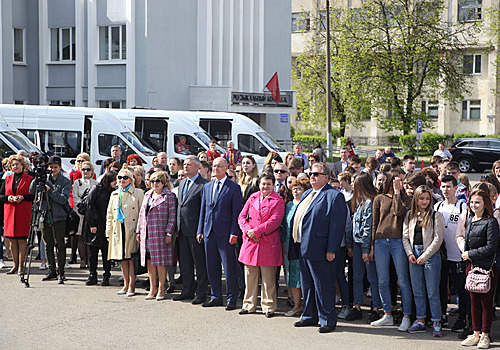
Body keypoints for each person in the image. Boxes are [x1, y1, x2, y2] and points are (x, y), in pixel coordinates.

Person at [292, 163, 347, 333]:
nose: (312, 176)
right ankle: (310, 316)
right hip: (303, 246)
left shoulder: (334, 196)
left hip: (321, 248)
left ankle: (327, 319)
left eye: (316, 174)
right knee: (307, 284)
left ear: (326, 177)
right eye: (310, 173)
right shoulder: (308, 193)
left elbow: (337, 226)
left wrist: (332, 249)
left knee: (323, 285)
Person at [197, 157, 243, 310]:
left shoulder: (233, 188)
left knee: (229, 267)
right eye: (214, 166)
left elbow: (236, 213)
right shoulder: (208, 186)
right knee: (211, 266)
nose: (215, 169)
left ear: (226, 168)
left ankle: (231, 298)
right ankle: (216, 296)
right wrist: (200, 230)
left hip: (225, 234)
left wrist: (234, 233)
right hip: (209, 232)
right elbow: (203, 210)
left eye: (219, 166)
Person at [238, 172, 285, 317]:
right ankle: (248, 304)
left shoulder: (278, 201)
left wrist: (256, 232)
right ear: (259, 184)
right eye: (263, 184)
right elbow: (241, 217)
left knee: (268, 278)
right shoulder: (252, 198)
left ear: (273, 185)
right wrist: (248, 231)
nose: (265, 187)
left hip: (267, 243)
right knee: (250, 276)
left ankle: (268, 306)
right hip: (251, 242)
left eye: (268, 184)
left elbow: (275, 221)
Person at [457, 189, 499, 348]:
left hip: (488, 268)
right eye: (472, 202)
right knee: (473, 302)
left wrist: (470, 254)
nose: (474, 205)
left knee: (486, 303)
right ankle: (475, 333)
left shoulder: (491, 222)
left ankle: (485, 335)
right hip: (471, 266)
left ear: (485, 204)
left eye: (477, 202)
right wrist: (467, 254)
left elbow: (491, 247)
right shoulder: (469, 220)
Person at [370, 172, 413, 331]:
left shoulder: (406, 199)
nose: (402, 183)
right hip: (381, 241)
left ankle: (406, 315)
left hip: (398, 241)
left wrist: (397, 193)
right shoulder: (378, 198)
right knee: (382, 280)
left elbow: (398, 212)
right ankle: (387, 314)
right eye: (398, 181)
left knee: (402, 281)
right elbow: (375, 223)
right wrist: (372, 246)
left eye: (402, 181)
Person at [402, 185, 444, 336]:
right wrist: (409, 254)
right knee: (417, 291)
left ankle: (436, 321)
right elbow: (405, 237)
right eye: (421, 198)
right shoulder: (410, 215)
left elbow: (438, 239)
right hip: (414, 254)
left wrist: (424, 256)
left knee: (432, 291)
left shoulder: (435, 215)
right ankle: (420, 320)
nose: (424, 201)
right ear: (416, 199)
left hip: (430, 255)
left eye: (427, 198)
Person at [434, 175, 470, 336]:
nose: (446, 190)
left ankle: (463, 317)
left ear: (456, 188)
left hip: (457, 255)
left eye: (449, 186)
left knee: (461, 289)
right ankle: (441, 315)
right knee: (441, 286)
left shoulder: (463, 207)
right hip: (440, 255)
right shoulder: (438, 207)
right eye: (443, 187)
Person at [345, 172, 381, 322]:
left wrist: (366, 249)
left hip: (366, 245)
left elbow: (368, 227)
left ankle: (375, 308)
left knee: (372, 277)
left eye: (355, 182)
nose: (352, 184)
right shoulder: (358, 202)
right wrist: (350, 244)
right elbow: (352, 225)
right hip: (357, 243)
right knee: (357, 276)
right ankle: (357, 306)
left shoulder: (370, 202)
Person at [174, 156, 210, 304]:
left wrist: (201, 230)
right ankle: (187, 290)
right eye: (184, 165)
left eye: (189, 165)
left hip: (196, 231)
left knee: (199, 263)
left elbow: (204, 209)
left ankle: (201, 293)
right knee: (185, 263)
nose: (185, 167)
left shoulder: (204, 185)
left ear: (197, 167)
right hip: (182, 230)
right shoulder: (182, 183)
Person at [136, 171, 176, 300]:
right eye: (152, 181)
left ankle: (162, 287)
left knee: (161, 262)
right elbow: (142, 214)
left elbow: (172, 216)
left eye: (157, 181)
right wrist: (139, 231)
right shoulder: (147, 194)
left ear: (163, 182)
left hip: (160, 233)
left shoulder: (169, 196)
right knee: (149, 261)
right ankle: (152, 288)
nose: (154, 184)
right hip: (147, 233)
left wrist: (169, 232)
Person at [31, 156, 71, 284]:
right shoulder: (45, 179)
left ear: (60, 167)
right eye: (51, 167)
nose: (53, 169)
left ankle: (61, 271)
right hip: (44, 215)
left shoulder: (65, 181)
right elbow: (31, 190)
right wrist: (36, 179)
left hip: (59, 217)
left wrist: (50, 191)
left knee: (60, 245)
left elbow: (63, 199)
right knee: (48, 245)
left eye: (55, 167)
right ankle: (51, 270)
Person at [106, 168, 144, 296]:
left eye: (125, 178)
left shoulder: (138, 193)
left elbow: (141, 214)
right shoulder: (114, 194)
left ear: (131, 180)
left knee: (131, 258)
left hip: (132, 229)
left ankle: (132, 286)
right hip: (118, 229)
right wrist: (108, 232)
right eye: (119, 178)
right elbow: (110, 215)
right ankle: (125, 284)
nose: (122, 180)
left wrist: (140, 231)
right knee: (121, 258)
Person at [0, 155, 33, 275]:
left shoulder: (29, 178)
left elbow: (33, 195)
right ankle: (14, 265)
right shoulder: (7, 179)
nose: (15, 167)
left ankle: (21, 266)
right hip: (10, 211)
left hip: (23, 211)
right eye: (13, 165)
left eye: (17, 164)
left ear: (22, 165)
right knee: (12, 241)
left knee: (22, 240)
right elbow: (1, 195)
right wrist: (8, 197)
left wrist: (23, 197)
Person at [83, 170, 116, 286]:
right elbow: (89, 205)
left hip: (107, 225)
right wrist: (92, 223)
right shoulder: (97, 189)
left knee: (107, 252)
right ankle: (92, 275)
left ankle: (107, 275)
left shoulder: (114, 191)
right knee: (93, 251)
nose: (116, 182)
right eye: (114, 180)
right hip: (95, 225)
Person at [283, 178, 310, 317]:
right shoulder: (288, 205)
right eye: (294, 188)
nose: (296, 191)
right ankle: (297, 305)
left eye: (299, 188)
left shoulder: (308, 204)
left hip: (303, 246)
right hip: (289, 246)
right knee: (292, 277)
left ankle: (307, 306)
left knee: (304, 277)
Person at [72, 161, 98, 269]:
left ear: (92, 171)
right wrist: (82, 207)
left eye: (88, 169)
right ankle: (82, 260)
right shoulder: (77, 183)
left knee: (89, 237)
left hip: (91, 214)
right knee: (80, 238)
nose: (86, 172)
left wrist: (90, 209)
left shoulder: (96, 183)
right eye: (83, 169)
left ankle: (89, 260)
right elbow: (75, 197)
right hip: (80, 213)